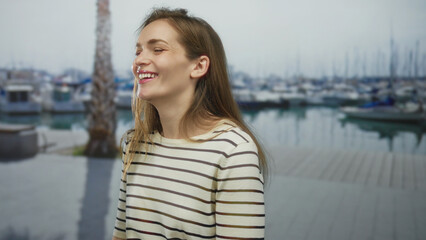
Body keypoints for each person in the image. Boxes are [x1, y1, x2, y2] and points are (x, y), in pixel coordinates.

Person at [112, 7, 267, 240]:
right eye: (138, 51)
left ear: (199, 66)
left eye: (157, 49)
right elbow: (121, 235)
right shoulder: (134, 145)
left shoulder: (233, 151)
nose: (139, 61)